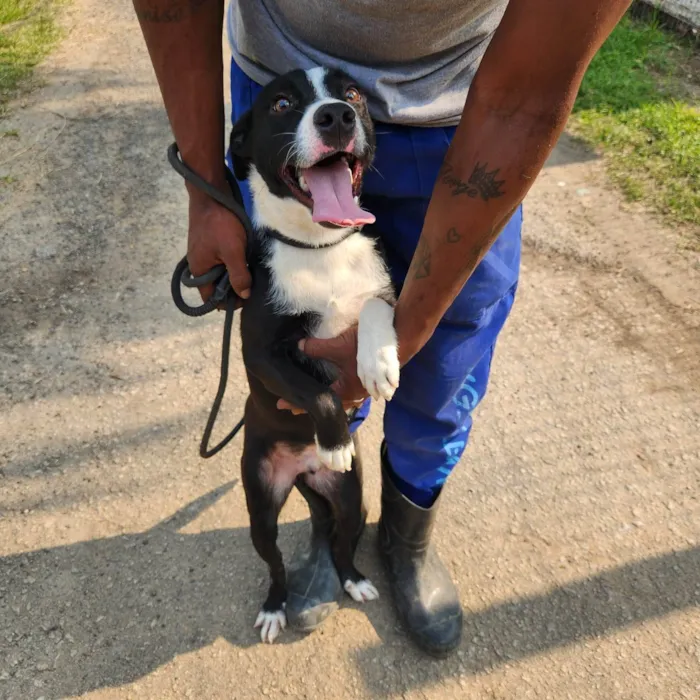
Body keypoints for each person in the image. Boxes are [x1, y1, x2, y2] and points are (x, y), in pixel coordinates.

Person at [134, 0, 631, 657]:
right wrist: (207, 186)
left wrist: (411, 323)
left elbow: (526, 95)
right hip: (281, 93)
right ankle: (332, 517)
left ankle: (407, 530)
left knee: (447, 354)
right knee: (311, 353)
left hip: (472, 113)